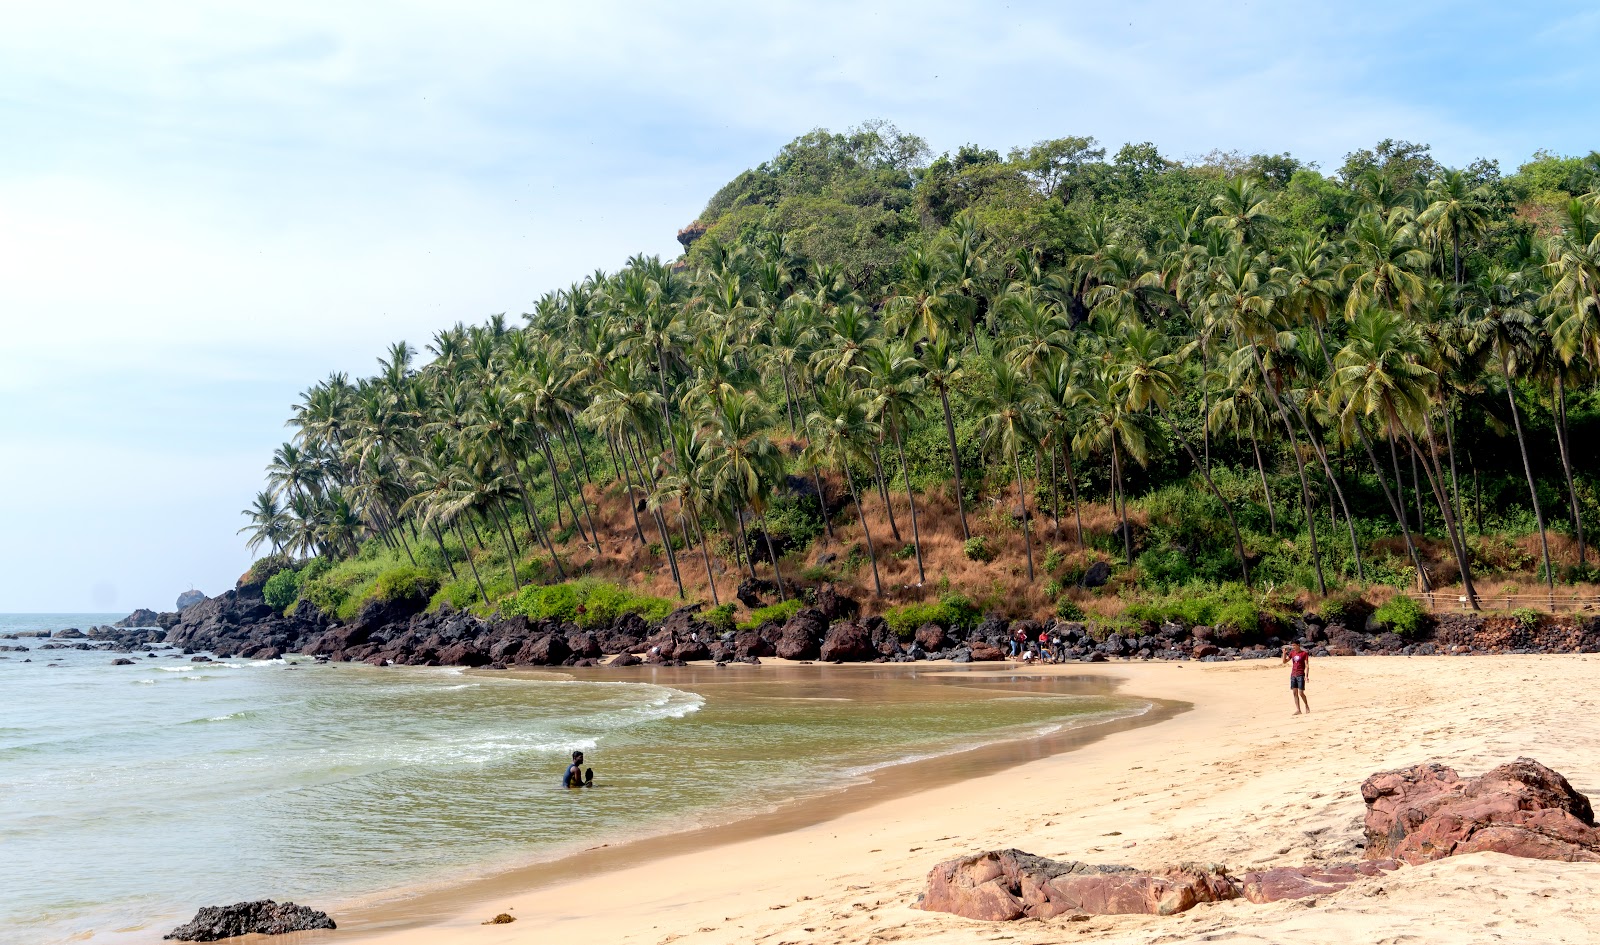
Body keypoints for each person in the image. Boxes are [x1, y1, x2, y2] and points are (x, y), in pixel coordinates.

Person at [1282, 642, 1311, 714]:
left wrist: (1306, 676)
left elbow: (1307, 665)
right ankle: (1298, 710)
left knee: (1301, 693)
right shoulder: (1292, 653)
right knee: (1295, 693)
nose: (1293, 647)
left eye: (1294, 645)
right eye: (1292, 645)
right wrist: (1284, 653)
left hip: (1300, 674)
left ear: (1298, 645)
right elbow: (1284, 662)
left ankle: (1306, 706)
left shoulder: (1304, 653)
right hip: (1293, 675)